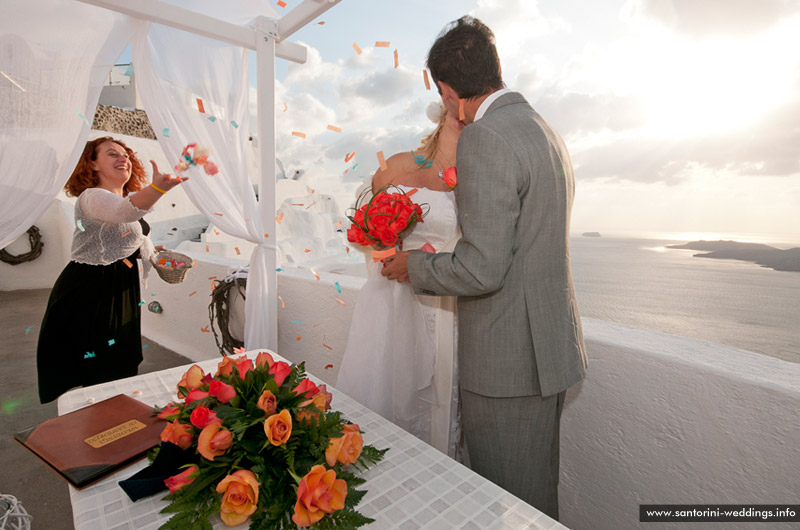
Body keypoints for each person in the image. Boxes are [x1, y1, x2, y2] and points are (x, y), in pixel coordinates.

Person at [381, 16, 588, 520]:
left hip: (508, 363)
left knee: (508, 506)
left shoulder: (486, 139)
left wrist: (415, 267)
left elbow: (481, 269)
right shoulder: (544, 129)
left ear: (449, 90)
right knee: (536, 496)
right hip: (547, 350)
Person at [337, 103, 466, 459]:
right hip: (391, 303)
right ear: (443, 115)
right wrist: (383, 241)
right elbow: (361, 233)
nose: (466, 123)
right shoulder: (396, 165)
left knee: (436, 405)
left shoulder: (476, 177)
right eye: (459, 117)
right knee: (385, 395)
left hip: (443, 306)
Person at [36, 136, 187, 403]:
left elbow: (128, 236)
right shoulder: (92, 196)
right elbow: (123, 213)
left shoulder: (124, 199)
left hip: (120, 285)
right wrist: (158, 188)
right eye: (112, 154)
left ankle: (116, 420)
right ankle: (103, 428)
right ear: (92, 165)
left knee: (120, 362)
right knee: (102, 366)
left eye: (126, 154)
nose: (123, 158)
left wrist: (151, 253)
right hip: (92, 290)